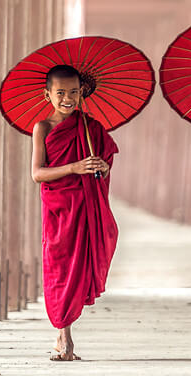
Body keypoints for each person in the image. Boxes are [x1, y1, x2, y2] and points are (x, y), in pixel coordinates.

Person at [28, 65, 118, 361]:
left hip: (85, 206)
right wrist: (73, 167)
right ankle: (64, 334)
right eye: (61, 93)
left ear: (83, 93)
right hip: (58, 207)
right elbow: (37, 173)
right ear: (47, 94)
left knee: (79, 266)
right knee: (59, 265)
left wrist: (102, 168)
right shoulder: (43, 128)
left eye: (75, 92)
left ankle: (64, 337)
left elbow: (105, 163)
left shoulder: (92, 128)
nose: (68, 98)